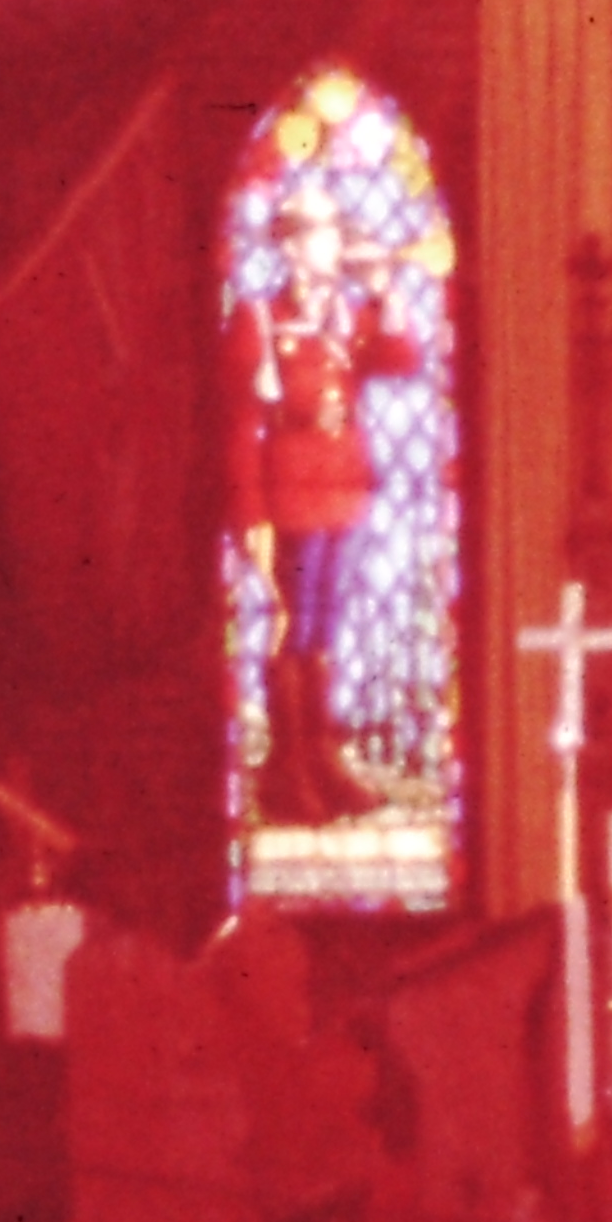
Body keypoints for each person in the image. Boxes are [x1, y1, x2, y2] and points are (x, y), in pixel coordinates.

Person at [219, 199, 419, 827]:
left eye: (336, 231)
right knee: (293, 626)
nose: (336, 243)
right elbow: (242, 424)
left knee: (324, 631)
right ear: (292, 247)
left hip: (343, 492)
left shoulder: (345, 315)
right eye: (324, 233)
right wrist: (249, 512)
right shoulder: (260, 320)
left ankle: (323, 758)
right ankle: (290, 771)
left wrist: (384, 290)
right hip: (290, 495)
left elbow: (401, 359)